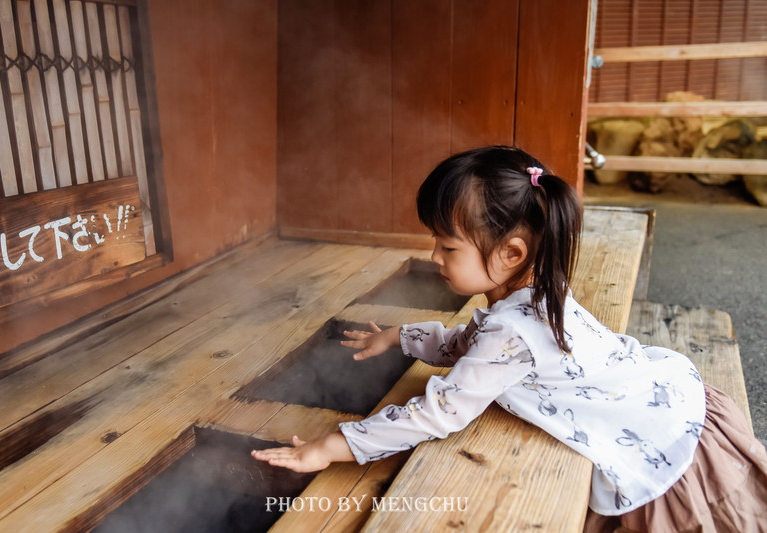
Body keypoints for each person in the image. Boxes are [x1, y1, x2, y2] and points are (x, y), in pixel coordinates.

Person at [252, 146, 767, 531]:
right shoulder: (535, 291)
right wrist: (400, 337)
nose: (434, 256)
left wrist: (333, 446)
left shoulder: (511, 332)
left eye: (448, 246)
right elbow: (469, 344)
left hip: (663, 445)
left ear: (511, 253)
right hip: (670, 398)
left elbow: (437, 413)